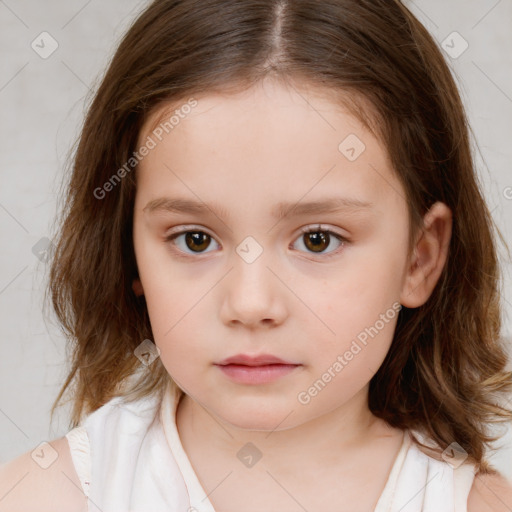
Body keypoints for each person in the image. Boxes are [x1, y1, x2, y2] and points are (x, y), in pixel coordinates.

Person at [1, 0, 512, 511]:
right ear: (128, 252)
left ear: (419, 258)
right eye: (195, 239)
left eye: (317, 239)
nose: (250, 304)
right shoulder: (44, 496)